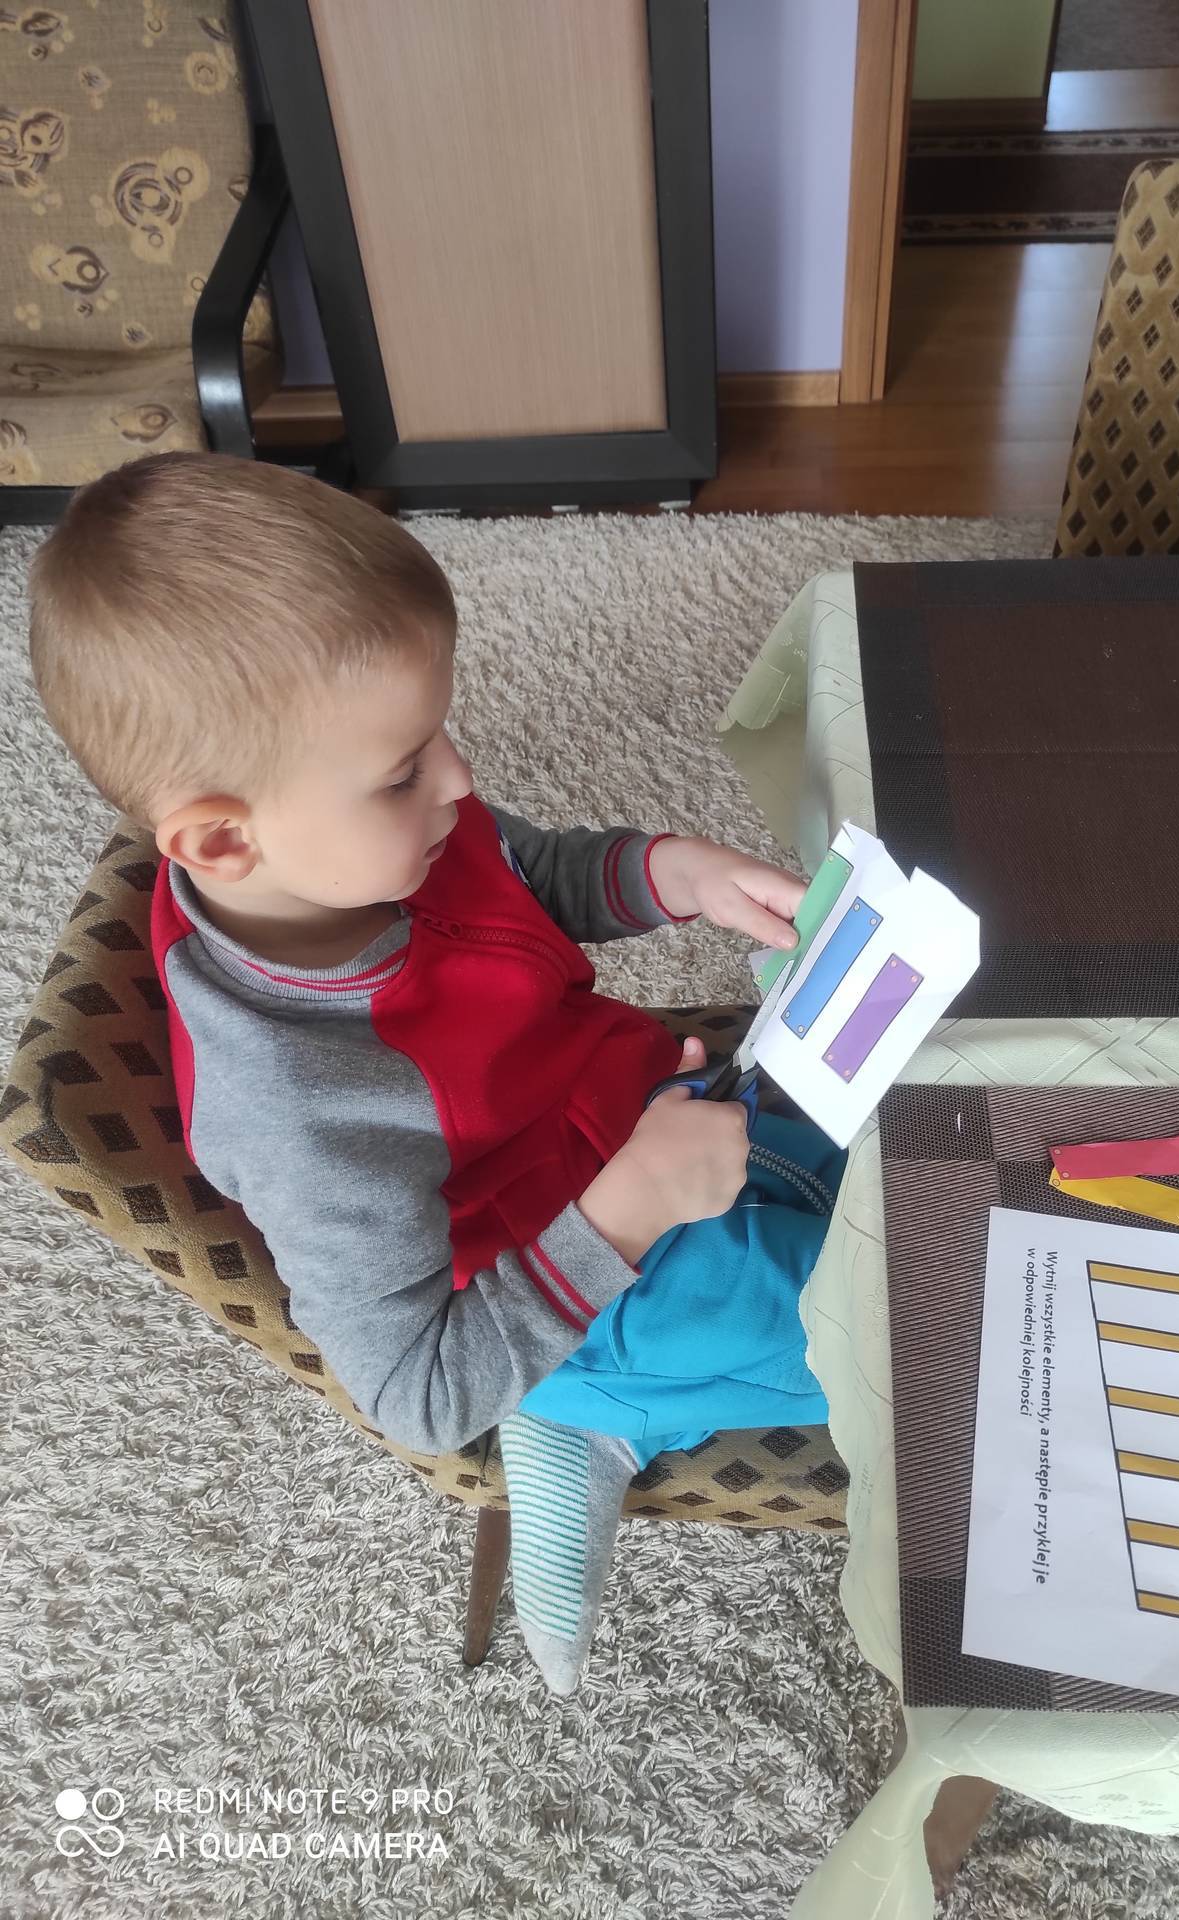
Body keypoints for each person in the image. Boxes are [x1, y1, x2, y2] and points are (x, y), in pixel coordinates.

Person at [27, 452, 845, 1692]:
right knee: (910, 1322)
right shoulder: (300, 1110)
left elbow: (524, 871)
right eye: (403, 769)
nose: (457, 779)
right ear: (222, 839)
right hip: (592, 1281)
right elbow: (417, 1390)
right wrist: (630, 1213)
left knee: (922, 1138)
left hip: (654, 1116)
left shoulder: (369, 846)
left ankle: (616, 1414)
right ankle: (588, 1409)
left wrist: (666, 871)